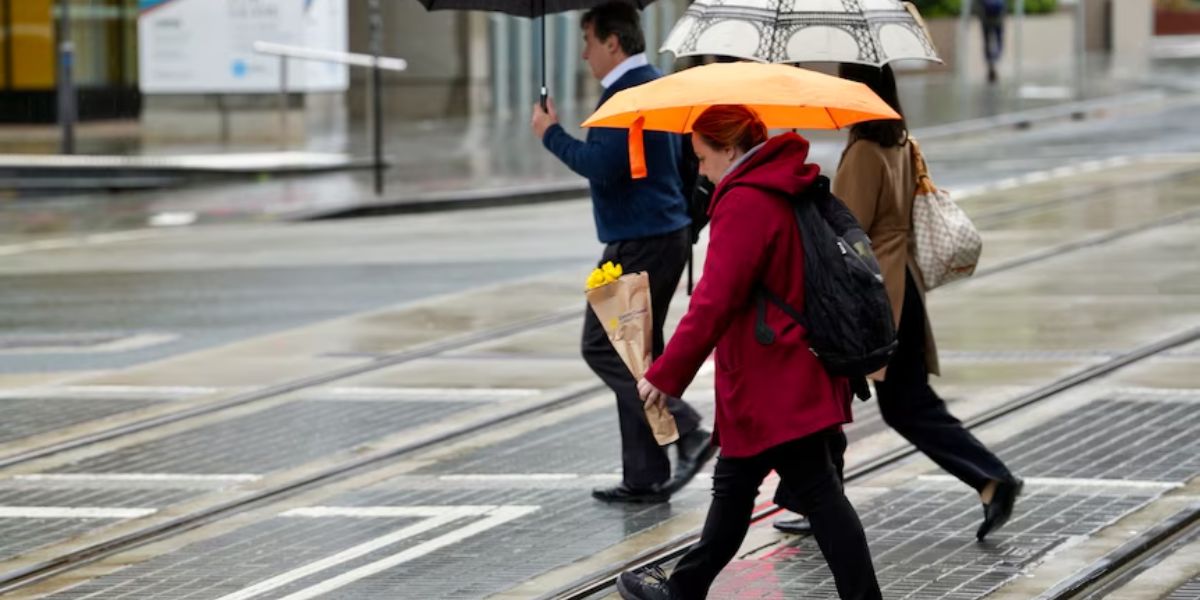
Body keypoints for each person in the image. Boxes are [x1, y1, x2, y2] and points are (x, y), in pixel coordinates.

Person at [616, 105, 882, 600]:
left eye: (702, 157)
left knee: (817, 495)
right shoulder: (783, 183)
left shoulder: (746, 200)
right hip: (783, 369)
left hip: (773, 379)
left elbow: (715, 301)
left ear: (731, 149)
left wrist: (665, 374)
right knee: (736, 488)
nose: (699, 169)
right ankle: (684, 589)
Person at [774, 63, 1023, 541]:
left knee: (875, 400)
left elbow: (846, 228)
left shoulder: (865, 152)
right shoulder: (900, 143)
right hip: (899, 288)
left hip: (871, 298)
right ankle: (813, 498)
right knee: (884, 400)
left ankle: (991, 478)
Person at [530, 1, 713, 504]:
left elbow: (601, 164)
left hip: (640, 239)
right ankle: (646, 474)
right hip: (665, 234)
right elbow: (686, 165)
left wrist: (551, 134)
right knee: (638, 354)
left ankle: (687, 427)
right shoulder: (657, 85)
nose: (584, 54)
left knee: (605, 346)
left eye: (588, 41)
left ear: (613, 42)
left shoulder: (623, 96)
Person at [975, 0, 1006, 83]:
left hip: (985, 19)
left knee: (987, 41)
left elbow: (977, 4)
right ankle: (996, 58)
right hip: (998, 18)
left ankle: (990, 61)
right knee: (999, 40)